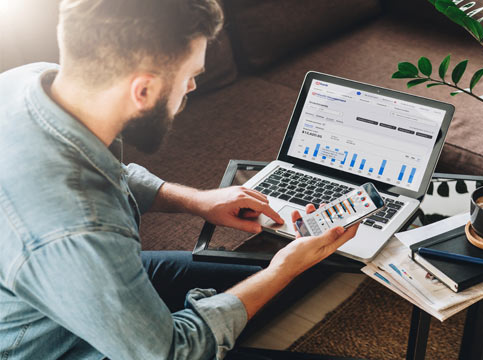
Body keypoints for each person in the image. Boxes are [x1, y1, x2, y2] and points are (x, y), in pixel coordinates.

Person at [0, 0, 359, 359]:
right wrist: (283, 269)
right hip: (56, 343)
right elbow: (171, 352)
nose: (189, 87)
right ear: (142, 91)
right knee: (281, 271)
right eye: (190, 75)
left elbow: (111, 174)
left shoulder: (30, 81)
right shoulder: (79, 229)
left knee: (286, 270)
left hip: (80, 278)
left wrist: (195, 200)